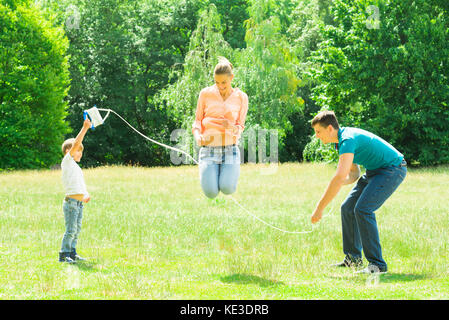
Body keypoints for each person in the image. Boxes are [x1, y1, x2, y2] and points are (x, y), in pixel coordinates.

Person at [310, 110, 407, 274]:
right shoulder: (340, 142)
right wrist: (339, 183)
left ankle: (377, 266)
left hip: (392, 169)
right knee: (347, 208)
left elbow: (340, 175)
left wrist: (320, 208)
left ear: (330, 129)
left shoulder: (347, 140)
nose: (317, 136)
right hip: (374, 172)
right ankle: (353, 260)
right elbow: (353, 174)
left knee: (363, 209)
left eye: (318, 132)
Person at [192, 57, 248, 199]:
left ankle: (228, 174)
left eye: (224, 82)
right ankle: (210, 171)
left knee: (227, 188)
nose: (220, 86)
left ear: (231, 78)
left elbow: (240, 126)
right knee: (210, 193)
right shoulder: (205, 94)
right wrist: (198, 136)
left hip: (230, 150)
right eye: (217, 82)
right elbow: (198, 121)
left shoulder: (241, 97)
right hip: (208, 150)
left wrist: (231, 126)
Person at [59, 118, 92, 263]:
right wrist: (85, 128)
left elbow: (79, 184)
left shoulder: (76, 167)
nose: (80, 153)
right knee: (70, 230)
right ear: (69, 151)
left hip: (78, 204)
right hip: (71, 203)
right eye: (78, 150)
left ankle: (72, 253)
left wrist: (85, 194)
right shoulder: (67, 161)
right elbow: (77, 143)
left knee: (76, 230)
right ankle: (64, 254)